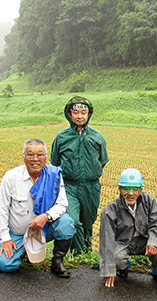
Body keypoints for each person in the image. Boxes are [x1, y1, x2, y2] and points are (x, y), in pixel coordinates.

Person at [0, 139, 75, 276]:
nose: (35, 159)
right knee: (3, 263)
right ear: (24, 156)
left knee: (66, 223)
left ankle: (57, 261)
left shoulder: (54, 175)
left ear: (46, 157)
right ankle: (23, 251)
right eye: (30, 155)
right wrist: (5, 238)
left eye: (40, 155)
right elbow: (0, 208)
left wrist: (46, 216)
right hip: (18, 233)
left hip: (44, 229)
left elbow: (62, 204)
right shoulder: (11, 177)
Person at [51, 96, 108, 253]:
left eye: (83, 112)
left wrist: (91, 171)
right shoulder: (61, 137)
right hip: (69, 186)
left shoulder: (96, 136)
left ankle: (86, 255)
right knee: (74, 221)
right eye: (76, 112)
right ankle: (78, 253)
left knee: (88, 222)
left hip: (91, 186)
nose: (80, 116)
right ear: (69, 114)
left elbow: (103, 159)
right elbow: (55, 161)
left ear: (88, 114)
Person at [99, 168, 157, 288]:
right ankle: (123, 267)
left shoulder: (149, 201)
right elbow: (106, 241)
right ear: (119, 189)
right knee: (117, 258)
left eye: (135, 189)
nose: (131, 193)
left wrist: (153, 242)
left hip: (144, 240)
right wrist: (109, 271)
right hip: (123, 244)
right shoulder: (110, 210)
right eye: (126, 189)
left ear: (141, 190)